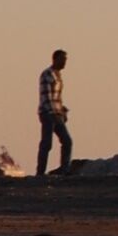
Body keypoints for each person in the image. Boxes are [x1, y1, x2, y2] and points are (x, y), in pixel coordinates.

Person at [37, 49, 73, 177]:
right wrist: (55, 113)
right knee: (47, 143)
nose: (65, 62)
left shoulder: (58, 76)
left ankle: (64, 169)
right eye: (63, 59)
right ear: (55, 59)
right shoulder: (47, 75)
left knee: (66, 141)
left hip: (56, 113)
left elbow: (57, 97)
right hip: (48, 113)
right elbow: (47, 97)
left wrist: (62, 109)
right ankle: (40, 172)